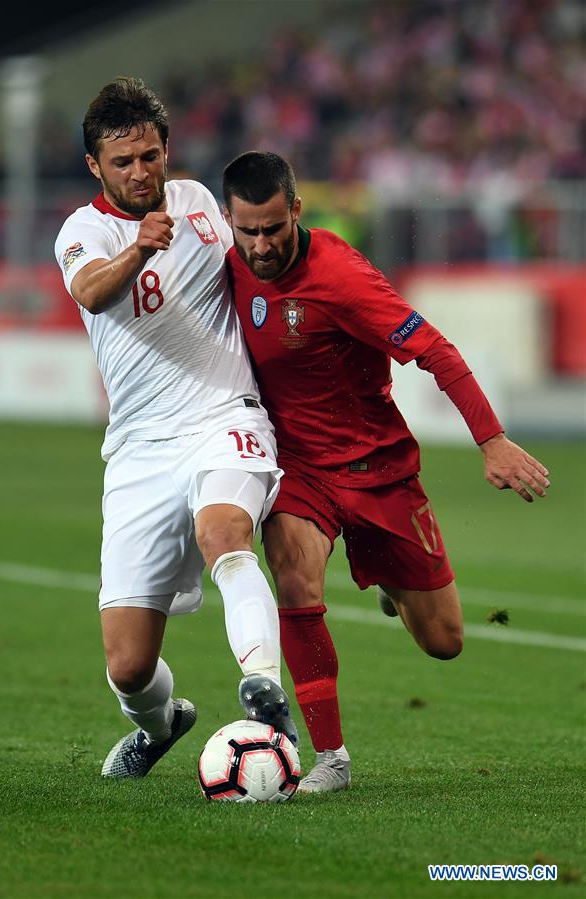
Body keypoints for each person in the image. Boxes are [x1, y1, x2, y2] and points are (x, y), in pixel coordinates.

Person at [221, 151, 550, 793]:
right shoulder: (226, 264)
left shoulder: (341, 277)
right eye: (247, 231)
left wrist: (493, 441)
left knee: (445, 642)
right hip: (299, 468)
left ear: (296, 209)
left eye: (273, 229)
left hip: (380, 471)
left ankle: (394, 589)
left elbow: (436, 351)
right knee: (293, 579)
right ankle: (331, 759)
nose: (260, 246)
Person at [53, 79, 298, 780]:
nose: (140, 172)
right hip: (138, 449)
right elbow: (92, 291)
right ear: (95, 166)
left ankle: (263, 690)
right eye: (122, 161)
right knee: (128, 665)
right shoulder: (85, 231)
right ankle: (162, 724)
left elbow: (262, 259)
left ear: (167, 150)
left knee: (224, 532)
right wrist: (139, 249)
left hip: (225, 417)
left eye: (150, 156)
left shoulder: (200, 206)